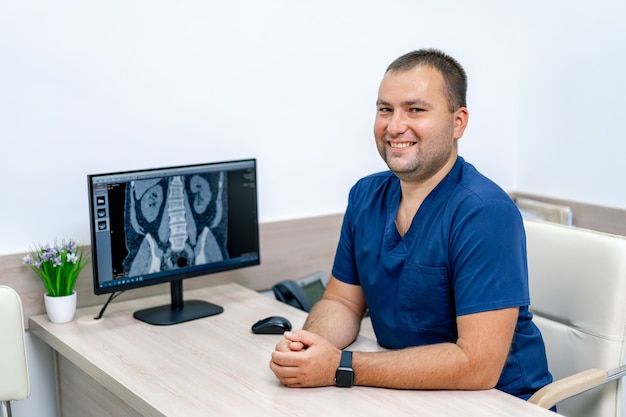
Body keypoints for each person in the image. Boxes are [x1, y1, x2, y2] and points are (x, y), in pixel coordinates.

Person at [269, 48, 553, 400]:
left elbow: (477, 364)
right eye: (385, 109)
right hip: (404, 390)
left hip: (496, 401)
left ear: (458, 122)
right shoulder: (365, 195)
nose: (394, 126)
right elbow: (343, 302)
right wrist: (308, 347)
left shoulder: (483, 211)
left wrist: (341, 366)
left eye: (415, 110)